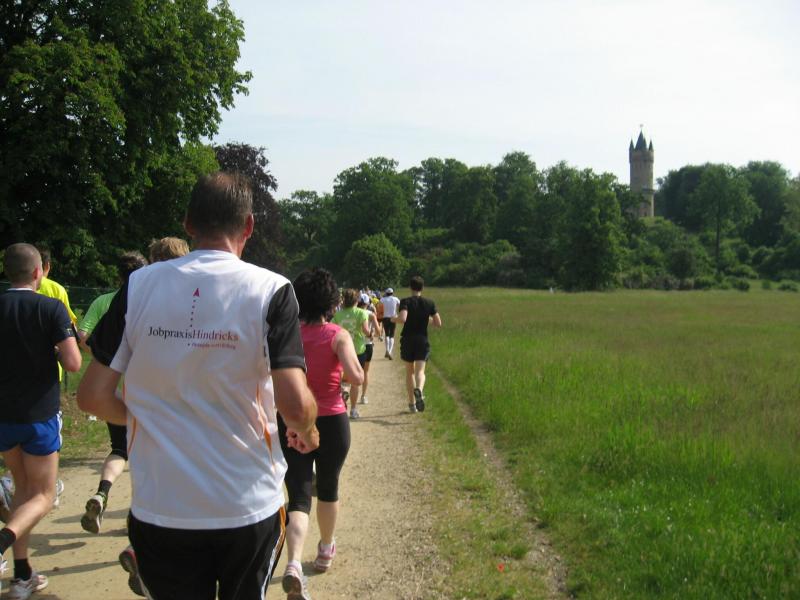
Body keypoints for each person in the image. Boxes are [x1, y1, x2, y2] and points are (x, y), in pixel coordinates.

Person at [77, 172, 319, 600]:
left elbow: (92, 396)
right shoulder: (272, 290)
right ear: (248, 226)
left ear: (188, 223)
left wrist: (148, 417)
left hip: (160, 506)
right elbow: (296, 407)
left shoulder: (138, 286)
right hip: (246, 504)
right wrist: (310, 428)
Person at [0, 243, 82, 599]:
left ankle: (22, 575)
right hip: (39, 414)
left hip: (4, 415)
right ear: (38, 272)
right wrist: (52, 352)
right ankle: (3, 541)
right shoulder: (50, 308)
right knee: (45, 496)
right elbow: (74, 362)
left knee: (22, 491)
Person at [279, 268, 363, 600]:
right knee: (328, 487)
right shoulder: (337, 335)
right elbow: (356, 376)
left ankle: (293, 563)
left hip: (292, 419)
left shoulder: (288, 335)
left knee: (298, 493)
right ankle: (326, 549)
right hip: (332, 420)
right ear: (331, 302)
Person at [77, 251, 148, 536]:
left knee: (120, 449)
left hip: (113, 393)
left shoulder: (103, 301)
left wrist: (106, 359)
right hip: (146, 391)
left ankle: (102, 492)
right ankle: (139, 519)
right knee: (149, 456)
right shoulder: (150, 298)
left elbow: (83, 336)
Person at [393, 276, 442, 413]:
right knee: (420, 371)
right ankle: (419, 389)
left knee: (410, 373)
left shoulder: (405, 301)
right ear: (422, 288)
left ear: (410, 287)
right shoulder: (429, 303)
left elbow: (403, 318)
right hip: (422, 340)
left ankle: (412, 405)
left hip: (408, 339)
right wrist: (426, 319)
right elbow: (438, 323)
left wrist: (392, 319)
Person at [331, 290, 370, 419]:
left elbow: (332, 330)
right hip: (358, 350)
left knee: (344, 378)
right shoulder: (361, 313)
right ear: (357, 300)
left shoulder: (337, 314)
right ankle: (353, 410)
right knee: (356, 381)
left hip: (342, 351)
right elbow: (366, 330)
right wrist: (370, 334)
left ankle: (344, 391)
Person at [356, 293, 380, 405]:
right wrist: (372, 334)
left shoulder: (354, 312)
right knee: (365, 372)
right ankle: (363, 396)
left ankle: (348, 393)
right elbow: (378, 332)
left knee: (352, 371)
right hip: (367, 344)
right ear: (367, 303)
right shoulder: (370, 314)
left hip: (354, 345)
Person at [380, 288, 400, 359]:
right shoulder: (396, 299)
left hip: (385, 318)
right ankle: (390, 351)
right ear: (392, 293)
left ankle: (387, 350)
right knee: (392, 335)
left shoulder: (382, 299)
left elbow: (379, 306)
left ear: (386, 293)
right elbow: (399, 305)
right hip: (393, 317)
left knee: (387, 334)